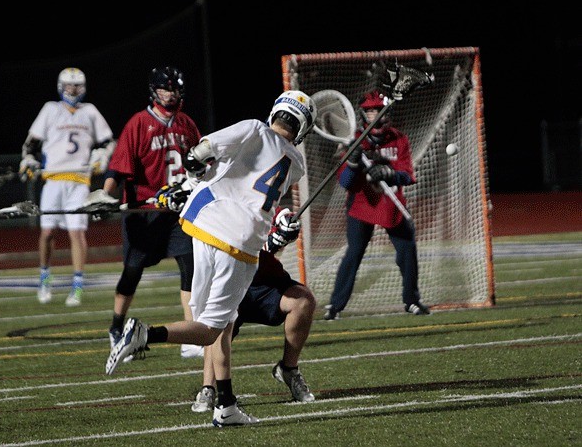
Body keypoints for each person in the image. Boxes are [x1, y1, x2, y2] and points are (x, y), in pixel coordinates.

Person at [105, 90, 317, 427]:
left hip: (201, 223)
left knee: (223, 324)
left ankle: (225, 404)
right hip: (238, 241)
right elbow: (248, 182)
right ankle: (143, 334)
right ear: (303, 128)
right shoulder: (298, 165)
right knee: (208, 330)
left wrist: (191, 177)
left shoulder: (253, 127)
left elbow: (202, 152)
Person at [91, 66, 204, 359]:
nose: (171, 94)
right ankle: (116, 326)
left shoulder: (187, 124)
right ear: (155, 91)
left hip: (178, 211)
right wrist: (106, 195)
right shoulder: (139, 123)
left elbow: (203, 164)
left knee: (189, 268)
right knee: (132, 272)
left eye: (175, 88)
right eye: (166, 88)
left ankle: (190, 333)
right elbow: (119, 166)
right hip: (144, 212)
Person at [324, 89, 429, 320]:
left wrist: (389, 173)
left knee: (407, 252)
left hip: (392, 206)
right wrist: (352, 163)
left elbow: (408, 175)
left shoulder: (399, 139)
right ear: (363, 115)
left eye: (379, 111)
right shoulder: (354, 142)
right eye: (370, 112)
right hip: (361, 206)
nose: (375, 116)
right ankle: (335, 306)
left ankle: (412, 301)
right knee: (353, 255)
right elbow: (346, 184)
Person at [19, 67, 115, 307]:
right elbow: (31, 144)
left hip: (79, 181)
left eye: (77, 85)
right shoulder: (51, 110)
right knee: (48, 232)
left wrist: (102, 155)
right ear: (62, 86)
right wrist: (28, 160)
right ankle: (44, 277)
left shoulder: (90, 111)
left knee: (77, 233)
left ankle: (78, 284)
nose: (73, 89)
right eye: (69, 85)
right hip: (53, 180)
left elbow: (108, 141)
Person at [191, 236, 317, 413]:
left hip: (266, 283)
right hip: (230, 279)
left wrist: (283, 230)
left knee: (303, 301)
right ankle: (208, 388)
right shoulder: (223, 212)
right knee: (216, 323)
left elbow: (276, 221)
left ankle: (288, 369)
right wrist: (264, 243)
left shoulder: (265, 209)